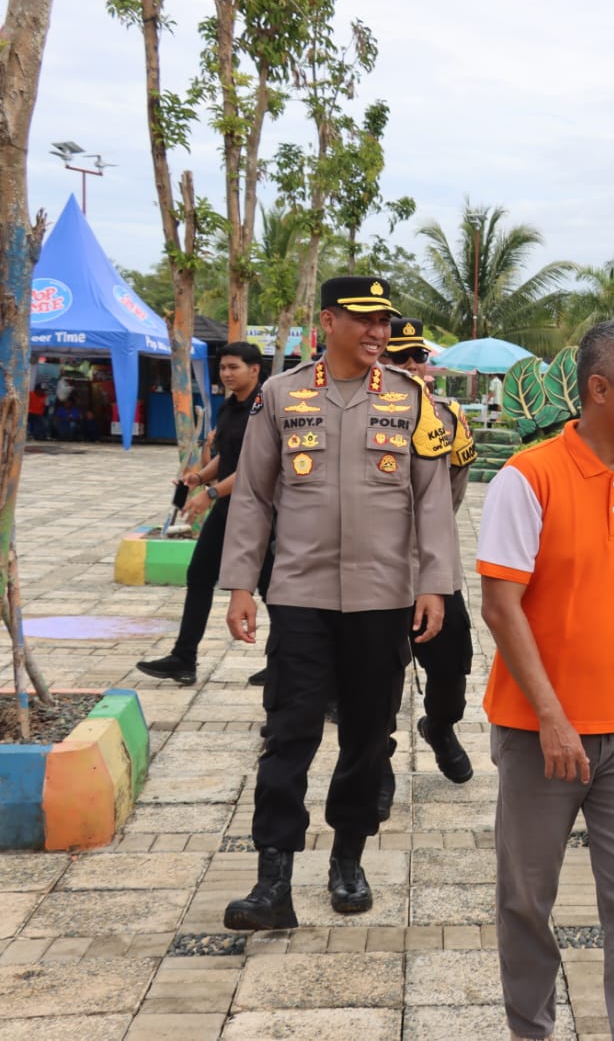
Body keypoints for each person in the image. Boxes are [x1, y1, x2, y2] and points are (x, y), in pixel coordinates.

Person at [218, 275, 455, 930]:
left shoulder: (412, 401)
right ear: (329, 321)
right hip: (300, 594)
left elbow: (432, 500)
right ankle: (273, 880)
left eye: (385, 321)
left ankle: (348, 857)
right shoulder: (281, 395)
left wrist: (434, 583)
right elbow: (255, 498)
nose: (379, 332)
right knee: (288, 733)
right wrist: (242, 583)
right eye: (364, 320)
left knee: (366, 740)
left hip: (384, 600)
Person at [478, 320, 614, 1041]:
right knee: (527, 899)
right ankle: (529, 1030)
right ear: (599, 390)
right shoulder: (526, 478)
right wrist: (553, 718)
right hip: (541, 736)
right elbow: (501, 606)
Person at [137, 342, 272, 687]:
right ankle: (184, 658)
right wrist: (198, 477)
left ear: (254, 370)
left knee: (275, 589)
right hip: (228, 508)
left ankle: (285, 662)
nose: (226, 374)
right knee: (199, 576)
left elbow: (255, 467)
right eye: (223, 368)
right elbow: (226, 458)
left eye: (234, 367)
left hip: (259, 510)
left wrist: (209, 493)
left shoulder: (265, 409)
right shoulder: (228, 408)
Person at [383, 317, 479, 784]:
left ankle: (439, 726)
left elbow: (453, 488)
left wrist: (428, 534)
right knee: (377, 670)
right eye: (398, 357)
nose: (412, 366)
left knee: (451, 664)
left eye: (418, 356)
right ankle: (377, 758)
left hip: (432, 562)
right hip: (374, 566)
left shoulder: (448, 415)